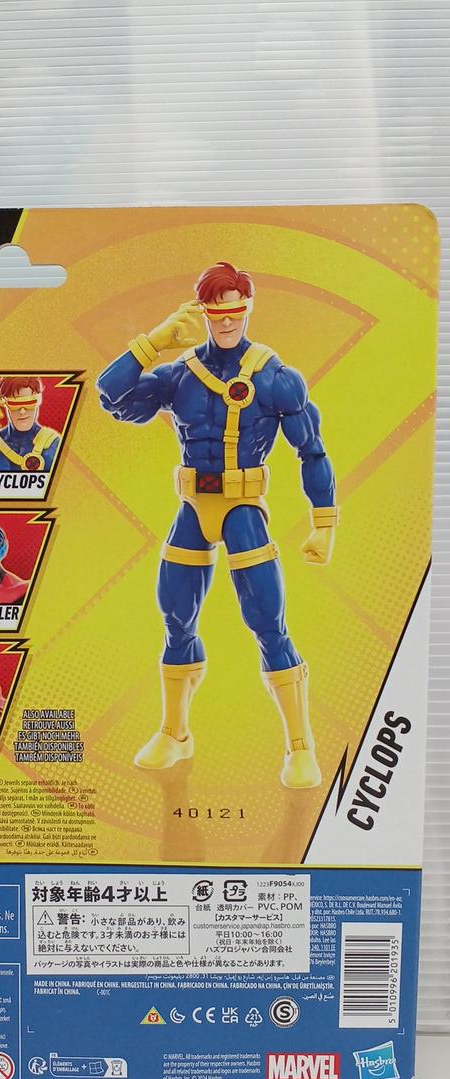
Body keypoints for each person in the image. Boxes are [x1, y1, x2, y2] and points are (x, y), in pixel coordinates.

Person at [96, 261, 338, 789]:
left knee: (267, 621)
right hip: (192, 506)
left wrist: (324, 521)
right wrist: (155, 341)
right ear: (202, 312)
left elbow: (312, 450)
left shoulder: (275, 377)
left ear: (248, 309)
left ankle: (301, 745)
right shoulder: (180, 374)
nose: (227, 321)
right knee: (175, 617)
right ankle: (175, 732)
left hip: (243, 507)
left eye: (236, 310)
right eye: (216, 311)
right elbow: (110, 397)